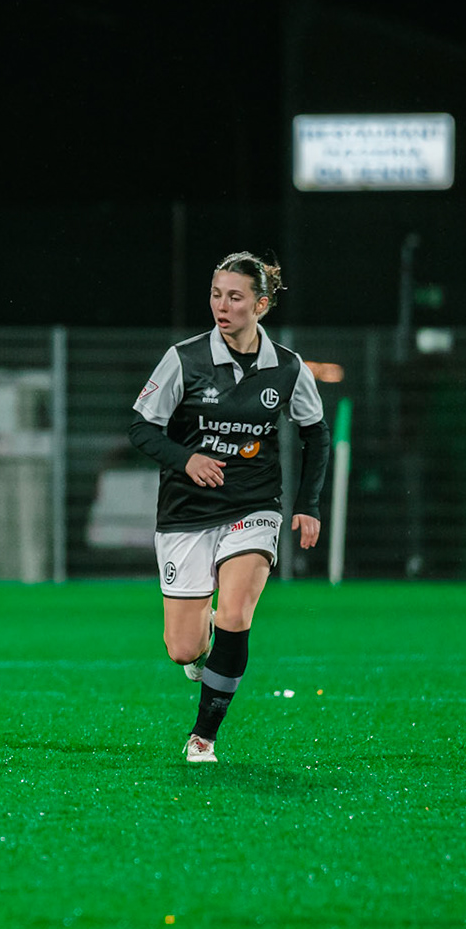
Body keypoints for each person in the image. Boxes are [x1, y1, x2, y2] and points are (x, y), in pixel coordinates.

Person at [128, 252, 329, 763]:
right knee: (184, 649)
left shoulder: (288, 367)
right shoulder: (185, 358)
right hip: (186, 512)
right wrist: (186, 459)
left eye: (235, 297)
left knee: (236, 612)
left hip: (255, 504)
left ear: (260, 305)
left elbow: (315, 434)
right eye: (217, 294)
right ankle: (206, 644)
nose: (223, 305)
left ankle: (203, 736)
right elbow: (141, 427)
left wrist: (308, 505)